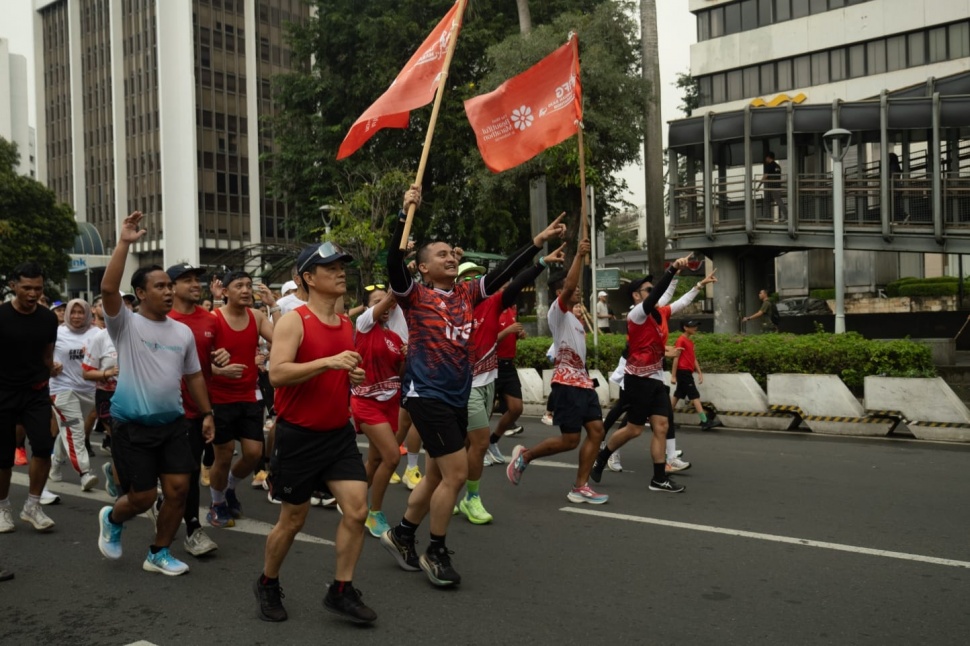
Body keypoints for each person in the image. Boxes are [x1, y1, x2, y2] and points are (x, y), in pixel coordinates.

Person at [381, 185, 566, 587]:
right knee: (457, 474)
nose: (451, 257)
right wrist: (402, 215)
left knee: (435, 476)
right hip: (425, 395)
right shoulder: (414, 296)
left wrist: (535, 244)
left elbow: (503, 272)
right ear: (424, 267)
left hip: (456, 396)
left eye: (452, 253)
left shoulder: (467, 293)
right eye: (441, 255)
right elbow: (393, 263)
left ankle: (402, 534)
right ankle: (437, 551)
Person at [254, 240, 375, 624]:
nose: (341, 272)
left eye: (342, 266)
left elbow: (337, 368)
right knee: (293, 519)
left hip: (337, 435)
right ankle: (268, 582)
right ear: (308, 277)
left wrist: (349, 372)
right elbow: (277, 373)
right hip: (298, 436)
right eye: (331, 267)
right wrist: (329, 362)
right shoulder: (294, 321)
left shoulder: (344, 324)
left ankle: (341, 590)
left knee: (357, 510)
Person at [96, 210, 216, 576]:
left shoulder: (181, 333)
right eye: (160, 286)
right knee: (143, 497)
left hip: (173, 424)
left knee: (179, 489)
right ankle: (112, 517)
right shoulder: (125, 325)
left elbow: (193, 376)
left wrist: (208, 413)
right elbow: (106, 290)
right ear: (141, 293)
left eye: (169, 286)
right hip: (132, 426)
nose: (168, 291)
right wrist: (124, 243)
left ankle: (159, 552)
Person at [590, 260, 717, 492]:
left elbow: (678, 301)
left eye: (651, 288)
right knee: (634, 429)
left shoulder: (661, 313)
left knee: (661, 426)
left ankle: (659, 478)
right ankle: (602, 456)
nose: (652, 291)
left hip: (656, 377)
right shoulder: (637, 315)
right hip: (637, 379)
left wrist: (698, 284)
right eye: (647, 289)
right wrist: (670, 270)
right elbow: (659, 292)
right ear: (637, 296)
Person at [458, 246, 563, 525]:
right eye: (465, 278)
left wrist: (540, 262)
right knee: (477, 443)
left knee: (470, 444)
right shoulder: (452, 308)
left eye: (475, 278)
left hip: (489, 380)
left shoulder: (493, 303)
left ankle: (460, 493)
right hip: (463, 385)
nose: (472, 282)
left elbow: (516, 281)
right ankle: (470, 498)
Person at [506, 237, 611, 506]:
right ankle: (525, 456)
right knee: (570, 440)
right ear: (559, 292)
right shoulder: (558, 312)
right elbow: (571, 287)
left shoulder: (576, 320)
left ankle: (580, 487)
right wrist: (578, 256)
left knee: (597, 431)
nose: (576, 291)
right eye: (569, 288)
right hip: (567, 385)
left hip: (583, 384)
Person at [205, 270, 274, 528]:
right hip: (219, 398)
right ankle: (217, 503)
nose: (246, 290)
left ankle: (230, 487)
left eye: (248, 285)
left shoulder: (256, 317)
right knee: (222, 456)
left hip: (249, 394)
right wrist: (219, 370)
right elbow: (195, 362)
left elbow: (282, 338)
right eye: (239, 286)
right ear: (225, 292)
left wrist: (273, 306)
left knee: (254, 454)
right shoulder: (213, 320)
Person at [167, 262, 226, 557]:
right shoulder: (160, 319)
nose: (194, 284)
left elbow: (211, 361)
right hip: (160, 410)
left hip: (194, 411)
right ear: (171, 286)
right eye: (186, 279)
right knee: (162, 476)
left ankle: (192, 527)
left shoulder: (210, 321)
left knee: (189, 472)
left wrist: (222, 358)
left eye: (196, 279)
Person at [0, 262, 60, 533]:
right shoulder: (1, 315)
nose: (33, 293)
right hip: (3, 393)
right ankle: (2, 508)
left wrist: (50, 389)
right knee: (3, 458)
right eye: (27, 288)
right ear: (13, 286)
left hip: (36, 392)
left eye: (38, 288)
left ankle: (32, 506)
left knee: (44, 446)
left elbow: (47, 356)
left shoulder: (48, 318)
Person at [350, 286, 406, 539]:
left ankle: (352, 501)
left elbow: (400, 375)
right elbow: (390, 300)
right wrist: (402, 275)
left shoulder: (395, 338)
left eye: (387, 301)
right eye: (377, 301)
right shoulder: (363, 325)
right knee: (392, 458)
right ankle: (375, 512)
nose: (385, 305)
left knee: (374, 460)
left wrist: (407, 356)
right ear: (368, 307)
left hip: (390, 404)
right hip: (366, 402)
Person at [48, 299, 101, 492]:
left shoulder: (96, 334)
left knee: (68, 431)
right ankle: (85, 473)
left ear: (88, 314)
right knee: (75, 429)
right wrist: (51, 365)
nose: (77, 316)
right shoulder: (56, 333)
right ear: (67, 313)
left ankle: (55, 463)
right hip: (61, 389)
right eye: (73, 312)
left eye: (81, 312)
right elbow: (43, 354)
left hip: (88, 391)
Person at [82, 325, 120, 492]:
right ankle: (122, 491)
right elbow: (86, 373)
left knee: (134, 442)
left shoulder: (139, 333)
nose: (123, 309)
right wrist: (108, 373)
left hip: (135, 395)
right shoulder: (101, 337)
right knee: (119, 442)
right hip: (108, 396)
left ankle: (112, 471)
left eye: (127, 304)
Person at [671, 320, 722, 432]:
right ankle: (704, 421)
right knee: (694, 395)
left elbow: (693, 358)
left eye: (695, 326)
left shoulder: (689, 342)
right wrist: (673, 375)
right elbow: (676, 357)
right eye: (692, 326)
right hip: (682, 371)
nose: (695, 328)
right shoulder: (681, 340)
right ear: (685, 327)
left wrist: (699, 372)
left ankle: (666, 420)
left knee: (678, 394)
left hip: (687, 372)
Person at [488, 303, 527, 448]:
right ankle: (478, 447)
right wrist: (508, 330)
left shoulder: (511, 310)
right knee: (486, 412)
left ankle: (493, 441)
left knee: (516, 408)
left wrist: (518, 335)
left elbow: (512, 336)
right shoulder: (491, 311)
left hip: (509, 367)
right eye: (503, 288)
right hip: (492, 366)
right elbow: (488, 341)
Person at [757, 151, 787, 220]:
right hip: (777, 186)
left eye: (766, 158)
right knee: (777, 200)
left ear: (768, 157)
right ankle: (784, 215)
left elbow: (765, 176)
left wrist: (759, 185)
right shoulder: (777, 166)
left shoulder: (769, 165)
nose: (765, 159)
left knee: (768, 201)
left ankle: (767, 217)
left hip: (771, 186)